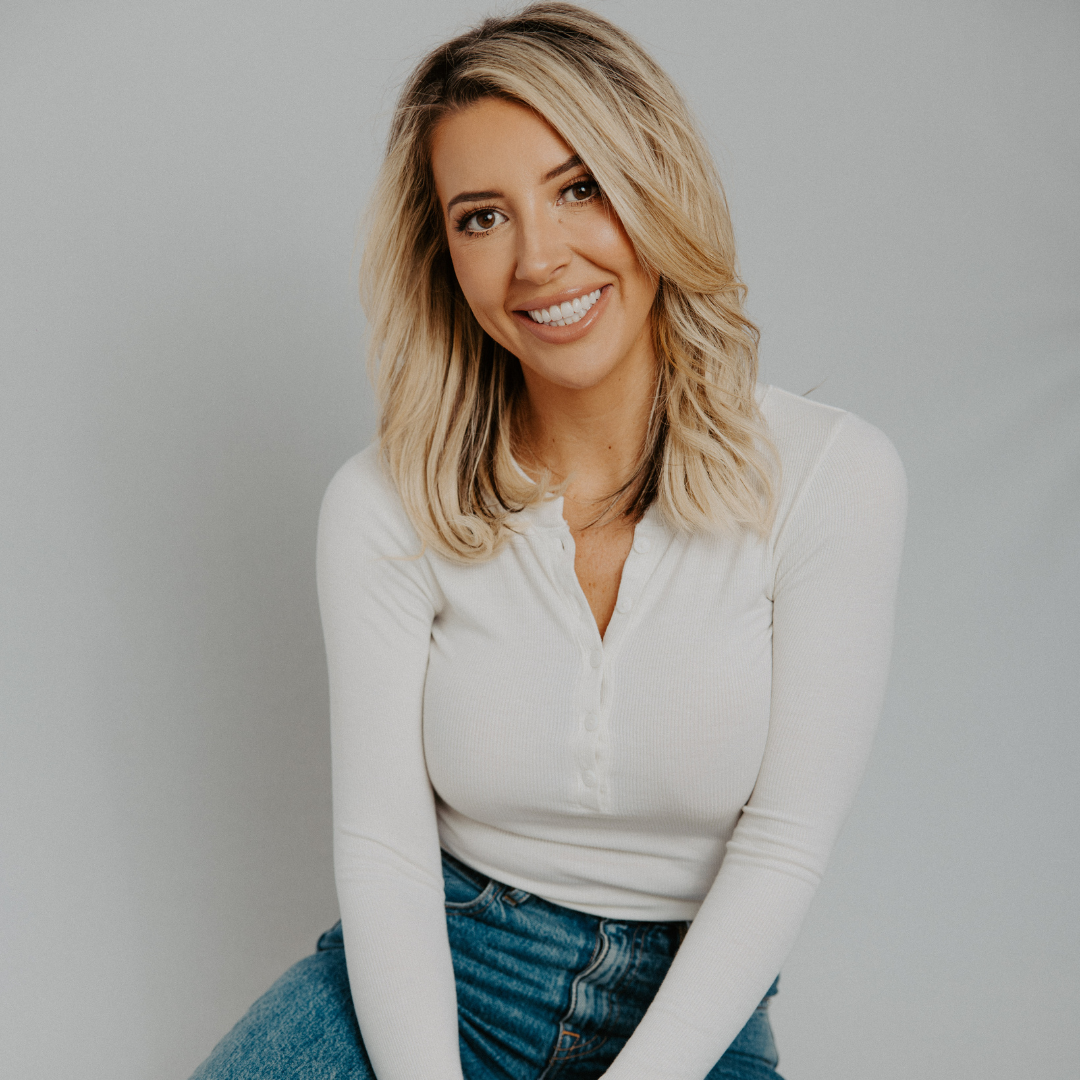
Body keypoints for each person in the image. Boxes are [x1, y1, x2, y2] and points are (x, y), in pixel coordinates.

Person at [190, 4, 907, 1079]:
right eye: (482, 217)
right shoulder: (384, 502)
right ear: (444, 256)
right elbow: (386, 852)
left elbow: (783, 843)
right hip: (445, 969)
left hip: (688, 1005)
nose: (539, 258)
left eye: (580, 188)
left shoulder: (830, 478)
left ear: (654, 188)